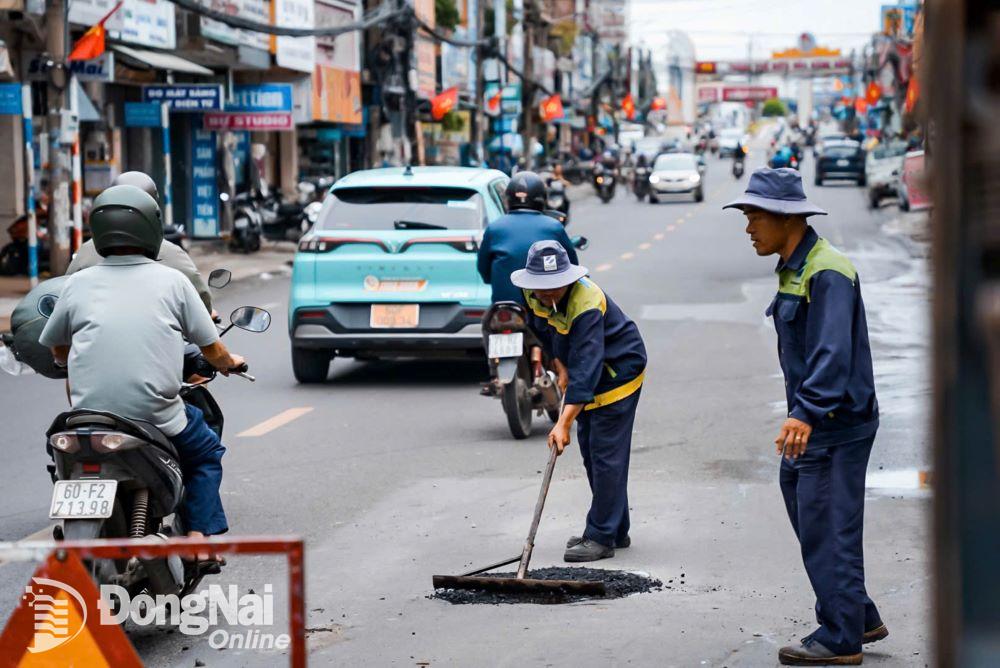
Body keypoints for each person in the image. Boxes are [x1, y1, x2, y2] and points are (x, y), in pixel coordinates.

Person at [723, 167, 887, 666]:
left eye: (754, 216)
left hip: (833, 423)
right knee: (807, 508)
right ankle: (857, 614)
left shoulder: (825, 270)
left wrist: (808, 411)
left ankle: (841, 639)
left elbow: (832, 353)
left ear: (785, 218)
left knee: (827, 526)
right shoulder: (795, 267)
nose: (748, 227)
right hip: (815, 420)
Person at [39, 185, 245, 551]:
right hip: (157, 415)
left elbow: (57, 345)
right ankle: (197, 539)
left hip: (86, 417)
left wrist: (63, 359)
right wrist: (230, 364)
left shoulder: (78, 283)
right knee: (206, 454)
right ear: (152, 229)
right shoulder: (173, 281)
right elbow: (211, 348)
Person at [511, 241, 647, 562]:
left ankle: (601, 536)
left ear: (568, 278)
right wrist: (559, 364)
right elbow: (543, 330)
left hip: (618, 370)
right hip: (586, 364)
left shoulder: (586, 302)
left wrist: (562, 423)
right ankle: (615, 527)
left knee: (605, 453)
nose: (547, 294)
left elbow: (587, 371)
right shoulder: (532, 294)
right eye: (541, 287)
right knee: (591, 451)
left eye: (554, 286)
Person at [67, 171, 213, 313]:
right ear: (153, 208)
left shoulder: (85, 252)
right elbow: (202, 301)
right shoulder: (172, 253)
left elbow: (63, 296)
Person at [476, 171, 578, 305]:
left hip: (505, 304)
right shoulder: (553, 226)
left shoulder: (495, 227)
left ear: (508, 199)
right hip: (544, 303)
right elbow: (572, 267)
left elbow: (483, 268)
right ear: (542, 198)